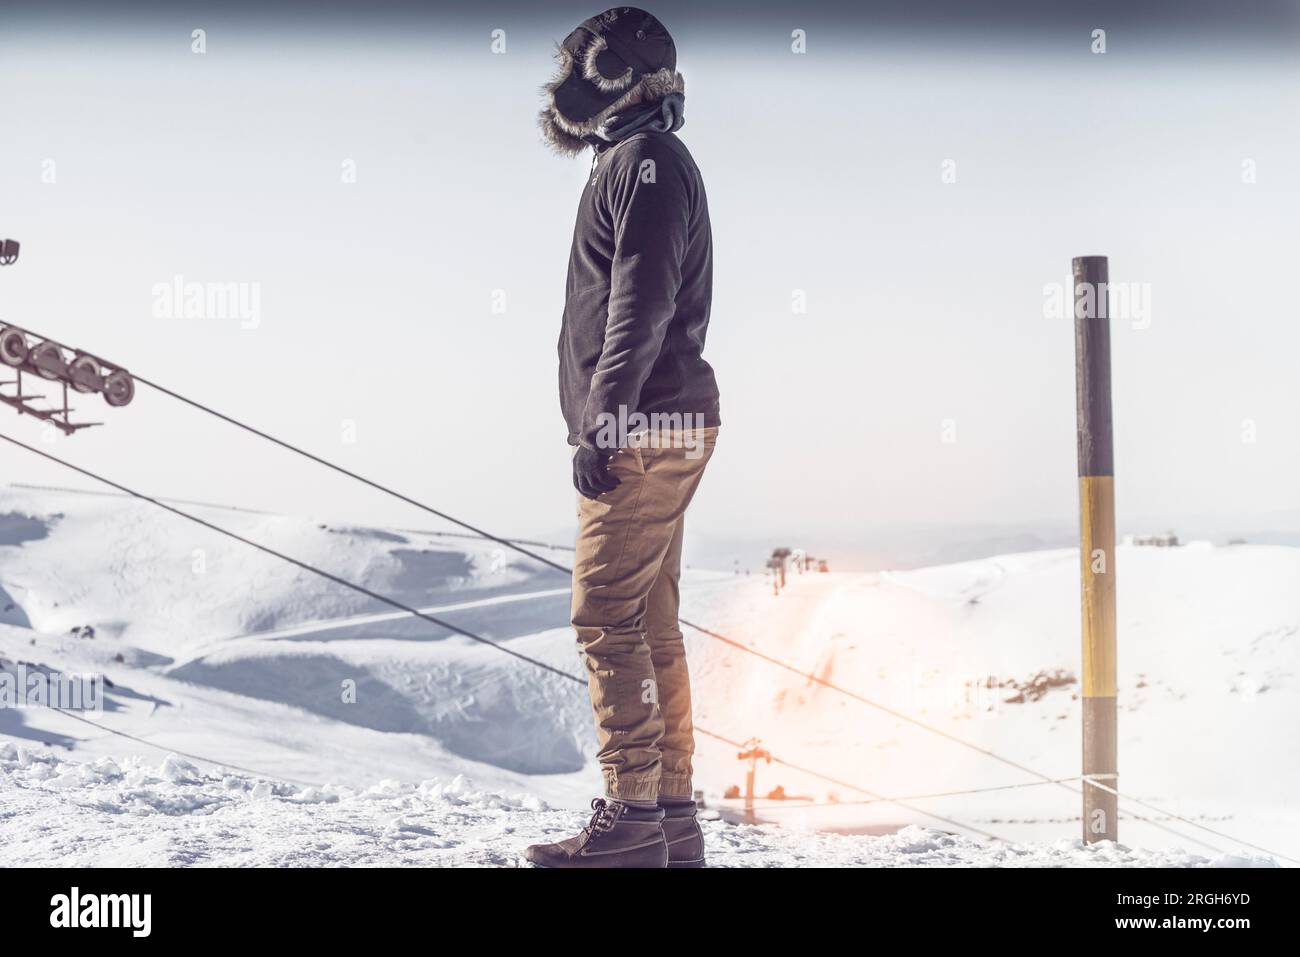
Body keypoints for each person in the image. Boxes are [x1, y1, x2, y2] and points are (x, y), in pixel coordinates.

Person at [526, 6, 721, 868]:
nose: (566, 83)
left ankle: (633, 816)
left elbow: (637, 308)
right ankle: (669, 816)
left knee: (605, 616)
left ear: (611, 73)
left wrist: (602, 422)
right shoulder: (644, 161)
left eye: (580, 67)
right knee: (648, 619)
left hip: (642, 425)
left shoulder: (643, 164)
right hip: (670, 417)